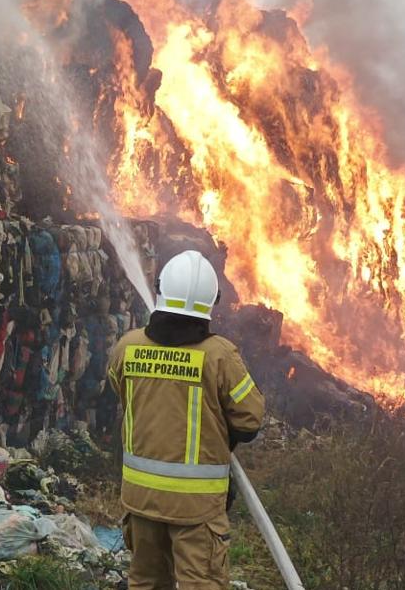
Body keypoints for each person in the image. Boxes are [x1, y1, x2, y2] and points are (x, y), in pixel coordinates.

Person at [109, 251, 266, 590]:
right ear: (211, 302)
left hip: (141, 500)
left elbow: (124, 393)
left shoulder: (128, 347)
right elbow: (250, 421)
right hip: (196, 509)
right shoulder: (219, 355)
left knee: (146, 583)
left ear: (161, 289)